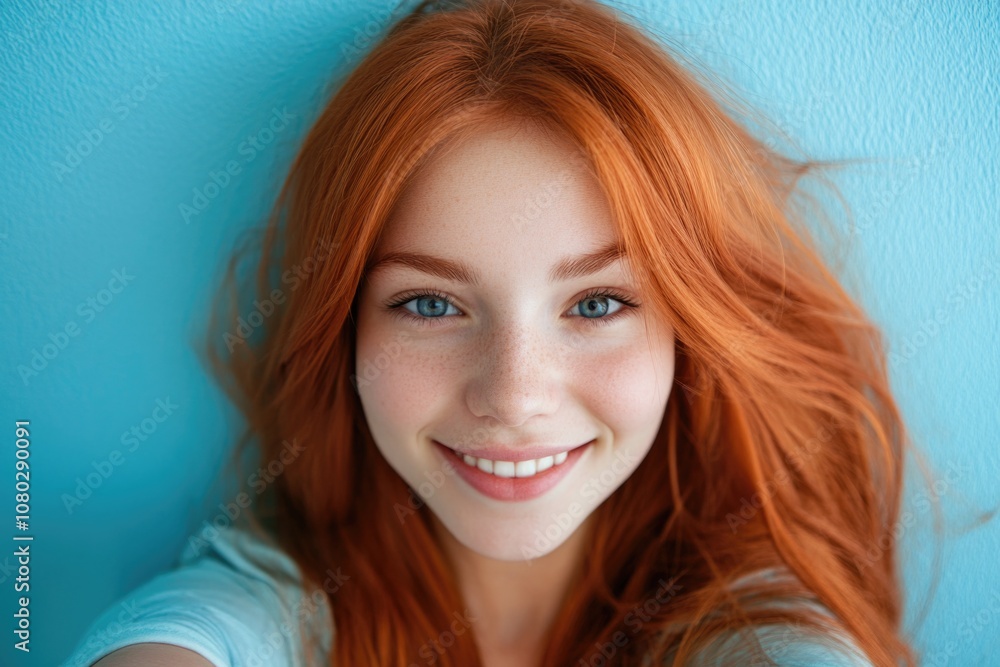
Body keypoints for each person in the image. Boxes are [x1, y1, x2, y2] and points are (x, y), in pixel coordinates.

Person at [65, 0, 922, 664]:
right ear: (345, 331)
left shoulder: (746, 617)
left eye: (596, 304)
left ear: (688, 332)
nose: (514, 395)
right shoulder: (284, 603)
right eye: (431, 304)